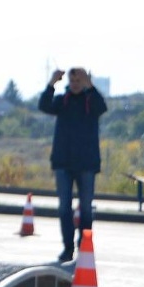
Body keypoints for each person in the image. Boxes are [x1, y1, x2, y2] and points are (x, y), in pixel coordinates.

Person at [38, 67, 107, 262]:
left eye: (80, 80)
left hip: (87, 163)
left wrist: (90, 86)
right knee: (64, 208)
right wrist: (52, 83)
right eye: (73, 80)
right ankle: (67, 248)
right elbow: (44, 105)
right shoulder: (62, 101)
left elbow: (101, 108)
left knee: (86, 207)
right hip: (63, 162)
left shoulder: (91, 100)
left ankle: (84, 246)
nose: (76, 84)